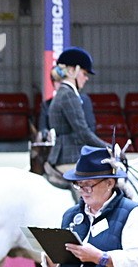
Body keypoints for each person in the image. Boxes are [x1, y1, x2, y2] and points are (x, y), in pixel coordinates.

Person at [46, 47, 107, 176]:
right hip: (70, 158)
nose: (86, 78)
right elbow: (83, 132)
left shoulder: (62, 93)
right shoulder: (68, 95)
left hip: (64, 156)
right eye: (84, 74)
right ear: (72, 71)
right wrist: (109, 149)